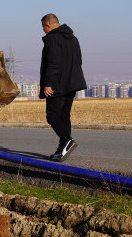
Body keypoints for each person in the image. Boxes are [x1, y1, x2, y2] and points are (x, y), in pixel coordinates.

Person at [39, 13, 87, 162]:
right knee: (64, 116)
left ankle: (67, 140)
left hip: (57, 85)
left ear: (48, 25)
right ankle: (62, 150)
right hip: (71, 84)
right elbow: (79, 60)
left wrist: (48, 83)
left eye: (43, 28)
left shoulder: (52, 38)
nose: (43, 31)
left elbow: (52, 63)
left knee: (52, 116)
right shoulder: (73, 39)